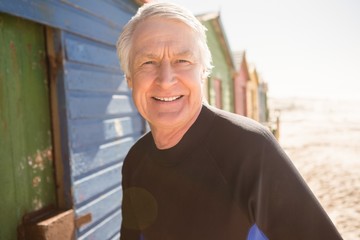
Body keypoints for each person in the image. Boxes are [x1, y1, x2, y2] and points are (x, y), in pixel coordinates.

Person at [116, 2, 342, 240]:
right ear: (129, 77)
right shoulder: (135, 161)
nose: (165, 79)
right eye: (147, 62)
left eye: (183, 61)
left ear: (203, 71)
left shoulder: (250, 148)